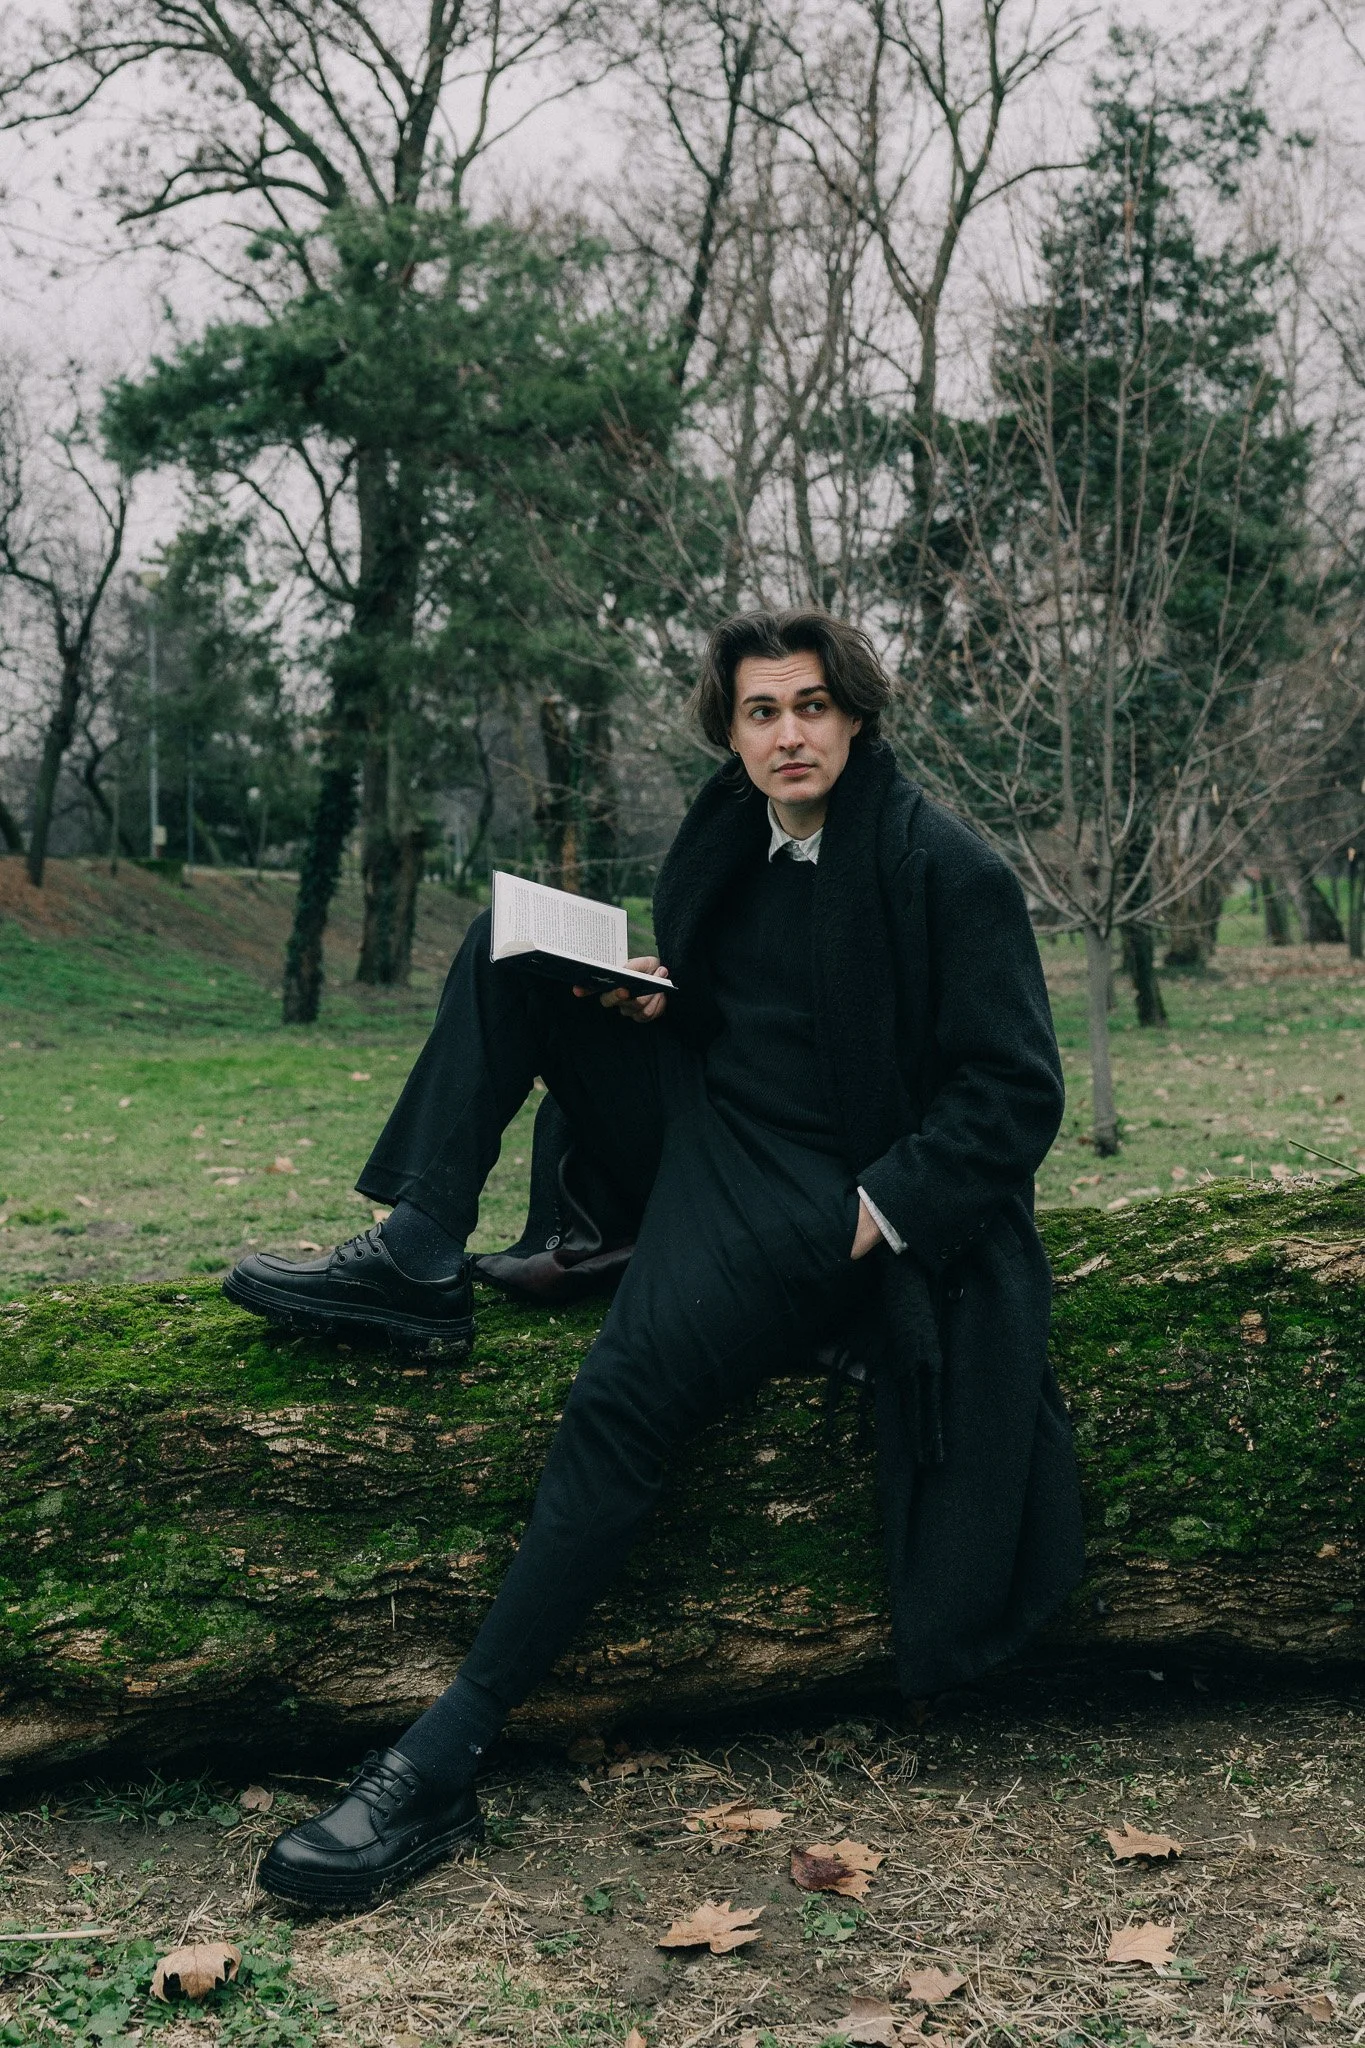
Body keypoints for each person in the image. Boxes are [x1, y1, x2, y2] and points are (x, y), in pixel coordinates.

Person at [224, 608, 1084, 1910]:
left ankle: (440, 1763)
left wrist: (871, 1215)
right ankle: (414, 1254)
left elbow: (1014, 1095)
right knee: (511, 941)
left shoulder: (940, 868)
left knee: (621, 1403)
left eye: (808, 705)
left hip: (811, 1192)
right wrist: (654, 994)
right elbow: (754, 997)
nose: (787, 733)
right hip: (698, 1117)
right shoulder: (736, 833)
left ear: (854, 714)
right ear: (729, 731)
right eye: (760, 711)